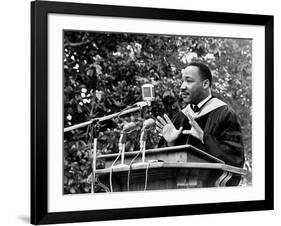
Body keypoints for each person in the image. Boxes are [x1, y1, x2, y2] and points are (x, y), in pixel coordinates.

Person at [156, 62, 245, 186]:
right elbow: (160, 164)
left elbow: (235, 160)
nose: (182, 86)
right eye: (182, 81)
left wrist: (204, 138)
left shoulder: (224, 114)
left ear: (205, 83)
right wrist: (170, 143)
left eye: (189, 81)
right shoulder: (181, 116)